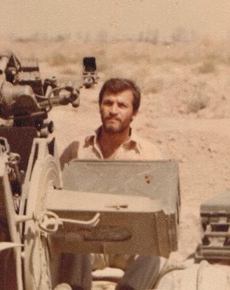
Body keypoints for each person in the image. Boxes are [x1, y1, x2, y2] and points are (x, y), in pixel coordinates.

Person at [57, 77, 164, 290]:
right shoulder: (77, 151)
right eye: (108, 103)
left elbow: (161, 206)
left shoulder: (149, 155)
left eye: (122, 105)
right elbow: (56, 193)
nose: (113, 111)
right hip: (88, 244)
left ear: (134, 113)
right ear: (100, 107)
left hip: (129, 244)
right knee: (72, 240)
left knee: (158, 253)